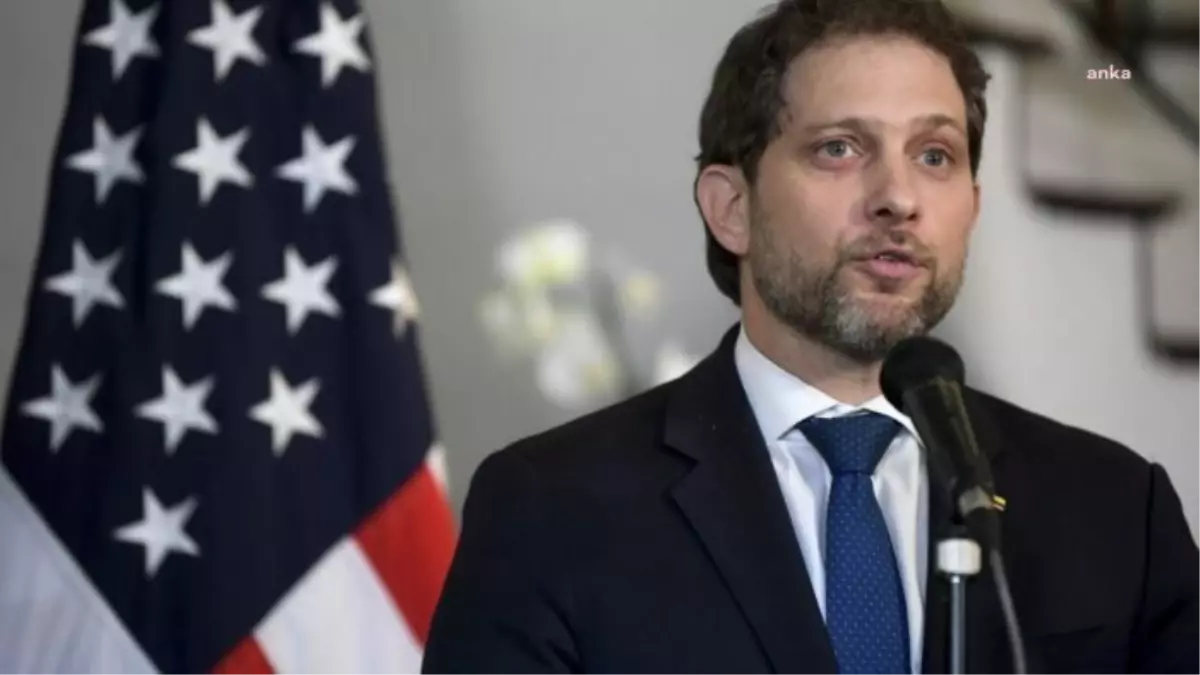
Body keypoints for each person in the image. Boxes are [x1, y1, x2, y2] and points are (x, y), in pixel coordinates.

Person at [421, 0, 1200, 673]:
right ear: (732, 208)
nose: (898, 197)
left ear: (971, 204)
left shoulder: (1115, 508)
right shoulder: (554, 508)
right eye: (840, 148)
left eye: (934, 155)